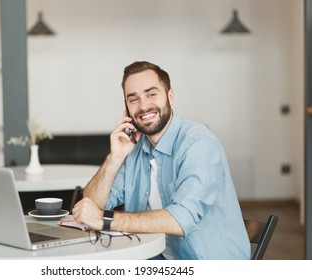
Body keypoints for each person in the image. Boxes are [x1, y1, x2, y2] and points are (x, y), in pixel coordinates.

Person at [72, 61, 251, 260]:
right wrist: (115, 157)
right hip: (155, 257)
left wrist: (104, 220)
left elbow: (180, 220)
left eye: (151, 94)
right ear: (127, 110)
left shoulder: (199, 143)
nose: (143, 106)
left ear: (170, 96)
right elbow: (91, 205)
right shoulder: (134, 148)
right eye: (133, 99)